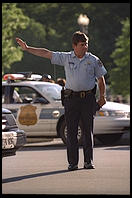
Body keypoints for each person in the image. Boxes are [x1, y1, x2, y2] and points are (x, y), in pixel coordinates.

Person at [16, 31, 107, 171]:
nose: (85, 47)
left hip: (88, 99)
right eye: (82, 45)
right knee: (71, 132)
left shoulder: (93, 60)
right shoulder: (66, 57)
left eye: (86, 44)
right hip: (71, 99)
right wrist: (28, 49)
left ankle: (88, 161)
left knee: (88, 131)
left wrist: (102, 97)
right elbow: (46, 53)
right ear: (74, 45)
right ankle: (73, 163)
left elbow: (101, 79)